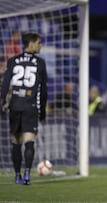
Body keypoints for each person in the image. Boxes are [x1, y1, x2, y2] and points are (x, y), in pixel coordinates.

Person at [1, 32, 47, 185]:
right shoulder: (40, 63)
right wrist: (42, 110)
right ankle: (27, 174)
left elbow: (5, 84)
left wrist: (2, 103)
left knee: (15, 142)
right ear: (31, 44)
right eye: (39, 42)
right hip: (30, 106)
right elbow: (43, 89)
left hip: (15, 105)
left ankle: (17, 175)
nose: (40, 45)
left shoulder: (13, 61)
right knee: (29, 141)